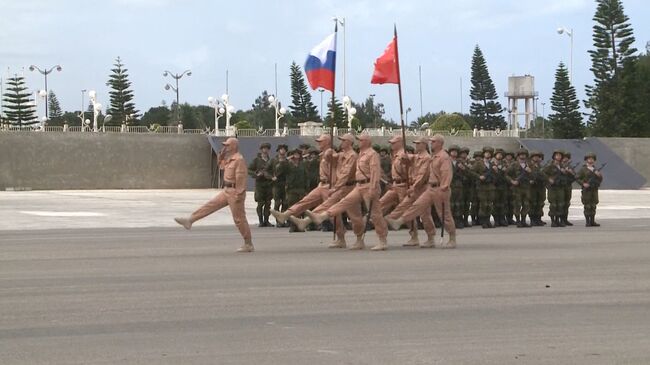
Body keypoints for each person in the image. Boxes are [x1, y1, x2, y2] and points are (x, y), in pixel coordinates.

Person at [306, 134, 389, 251]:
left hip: (368, 186)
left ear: (366, 142)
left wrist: (373, 188)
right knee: (344, 203)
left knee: (375, 214)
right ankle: (322, 216)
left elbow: (375, 172)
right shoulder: (360, 154)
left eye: (361, 140)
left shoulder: (372, 154)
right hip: (359, 186)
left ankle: (382, 240)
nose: (358, 142)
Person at [174, 137, 253, 252]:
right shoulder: (229, 159)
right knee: (210, 205)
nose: (225, 147)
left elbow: (241, 177)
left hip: (235, 192)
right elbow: (221, 166)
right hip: (226, 190)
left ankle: (248, 243)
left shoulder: (239, 160)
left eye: (227, 145)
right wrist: (221, 156)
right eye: (225, 145)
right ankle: (190, 220)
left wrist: (239, 194)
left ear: (234, 146)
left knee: (239, 219)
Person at [385, 134, 457, 248]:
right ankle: (399, 221)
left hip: (440, 189)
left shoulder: (443, 157)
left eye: (433, 142)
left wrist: (445, 186)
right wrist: (405, 157)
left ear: (439, 143)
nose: (431, 143)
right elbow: (411, 158)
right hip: (430, 188)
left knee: (444, 215)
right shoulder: (433, 156)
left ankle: (452, 238)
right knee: (417, 206)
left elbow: (446, 173)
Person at [378, 135, 420, 246]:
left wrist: (408, 160)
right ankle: (375, 220)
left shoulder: (402, 154)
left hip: (403, 185)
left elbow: (413, 161)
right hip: (395, 185)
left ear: (400, 143)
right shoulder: (395, 155)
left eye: (393, 143)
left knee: (405, 210)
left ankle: (414, 235)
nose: (391, 145)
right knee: (381, 203)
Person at [470, 146, 497, 229]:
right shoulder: (478, 163)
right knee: (483, 204)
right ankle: (483, 221)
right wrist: (479, 176)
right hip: (482, 187)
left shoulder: (492, 164)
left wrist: (496, 171)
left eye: (489, 153)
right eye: (486, 153)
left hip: (490, 187)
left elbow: (495, 176)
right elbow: (471, 171)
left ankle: (488, 220)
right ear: (484, 154)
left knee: (489, 204)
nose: (488, 154)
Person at [248, 142, 274, 227]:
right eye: (264, 148)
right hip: (260, 184)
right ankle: (261, 221)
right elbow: (249, 170)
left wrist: (271, 176)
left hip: (268, 184)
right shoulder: (256, 160)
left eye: (267, 148)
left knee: (268, 203)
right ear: (261, 149)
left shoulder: (271, 161)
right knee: (260, 203)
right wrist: (256, 174)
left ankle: (266, 220)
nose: (265, 150)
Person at [506, 148, 533, 228]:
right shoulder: (514, 165)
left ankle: (523, 220)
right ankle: (518, 221)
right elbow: (506, 175)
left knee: (526, 205)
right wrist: (512, 181)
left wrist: (530, 173)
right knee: (517, 204)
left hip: (526, 188)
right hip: (517, 188)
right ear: (518, 156)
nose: (522, 156)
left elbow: (534, 176)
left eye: (524, 155)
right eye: (521, 155)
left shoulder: (529, 165)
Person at [284, 149, 309, 232]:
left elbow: (306, 176)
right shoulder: (287, 165)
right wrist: (287, 159)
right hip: (291, 189)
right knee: (292, 208)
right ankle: (292, 225)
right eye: (294, 154)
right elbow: (279, 170)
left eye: (298, 154)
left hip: (301, 189)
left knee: (301, 208)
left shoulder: (303, 164)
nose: (296, 156)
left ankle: (299, 226)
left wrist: (306, 189)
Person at [576, 152, 603, 227]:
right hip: (587, 190)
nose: (591, 160)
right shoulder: (583, 169)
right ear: (586, 160)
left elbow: (600, 179)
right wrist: (583, 184)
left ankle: (592, 221)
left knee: (593, 205)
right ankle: (587, 221)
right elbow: (577, 178)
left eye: (592, 159)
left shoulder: (595, 169)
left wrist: (599, 176)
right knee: (587, 206)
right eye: (589, 159)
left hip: (594, 189)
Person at [543, 149, 567, 227]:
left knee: (560, 204)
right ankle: (553, 221)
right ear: (554, 156)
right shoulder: (550, 166)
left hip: (560, 187)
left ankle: (558, 220)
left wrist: (564, 172)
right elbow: (543, 173)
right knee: (553, 204)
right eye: (557, 155)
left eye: (560, 155)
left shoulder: (562, 166)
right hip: (552, 188)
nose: (558, 157)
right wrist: (549, 179)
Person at [268, 144, 289, 226]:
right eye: (281, 149)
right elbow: (266, 170)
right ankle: (277, 220)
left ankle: (282, 220)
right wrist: (271, 177)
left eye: (284, 149)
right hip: (276, 184)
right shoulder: (273, 160)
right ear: (278, 150)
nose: (282, 151)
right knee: (277, 203)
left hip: (285, 184)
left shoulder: (287, 161)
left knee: (285, 203)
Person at [448, 145, 465, 229]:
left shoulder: (460, 162)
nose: (454, 153)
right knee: (451, 204)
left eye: (456, 151)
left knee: (458, 204)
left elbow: (465, 174)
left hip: (458, 185)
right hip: (450, 185)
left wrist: (463, 169)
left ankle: (458, 221)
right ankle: (450, 222)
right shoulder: (446, 161)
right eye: (452, 151)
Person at [528, 151, 547, 226]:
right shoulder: (528, 166)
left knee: (540, 203)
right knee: (533, 203)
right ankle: (532, 219)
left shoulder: (541, 166)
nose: (537, 158)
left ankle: (538, 218)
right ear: (532, 157)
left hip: (541, 187)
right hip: (532, 188)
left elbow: (545, 176)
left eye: (538, 157)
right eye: (535, 157)